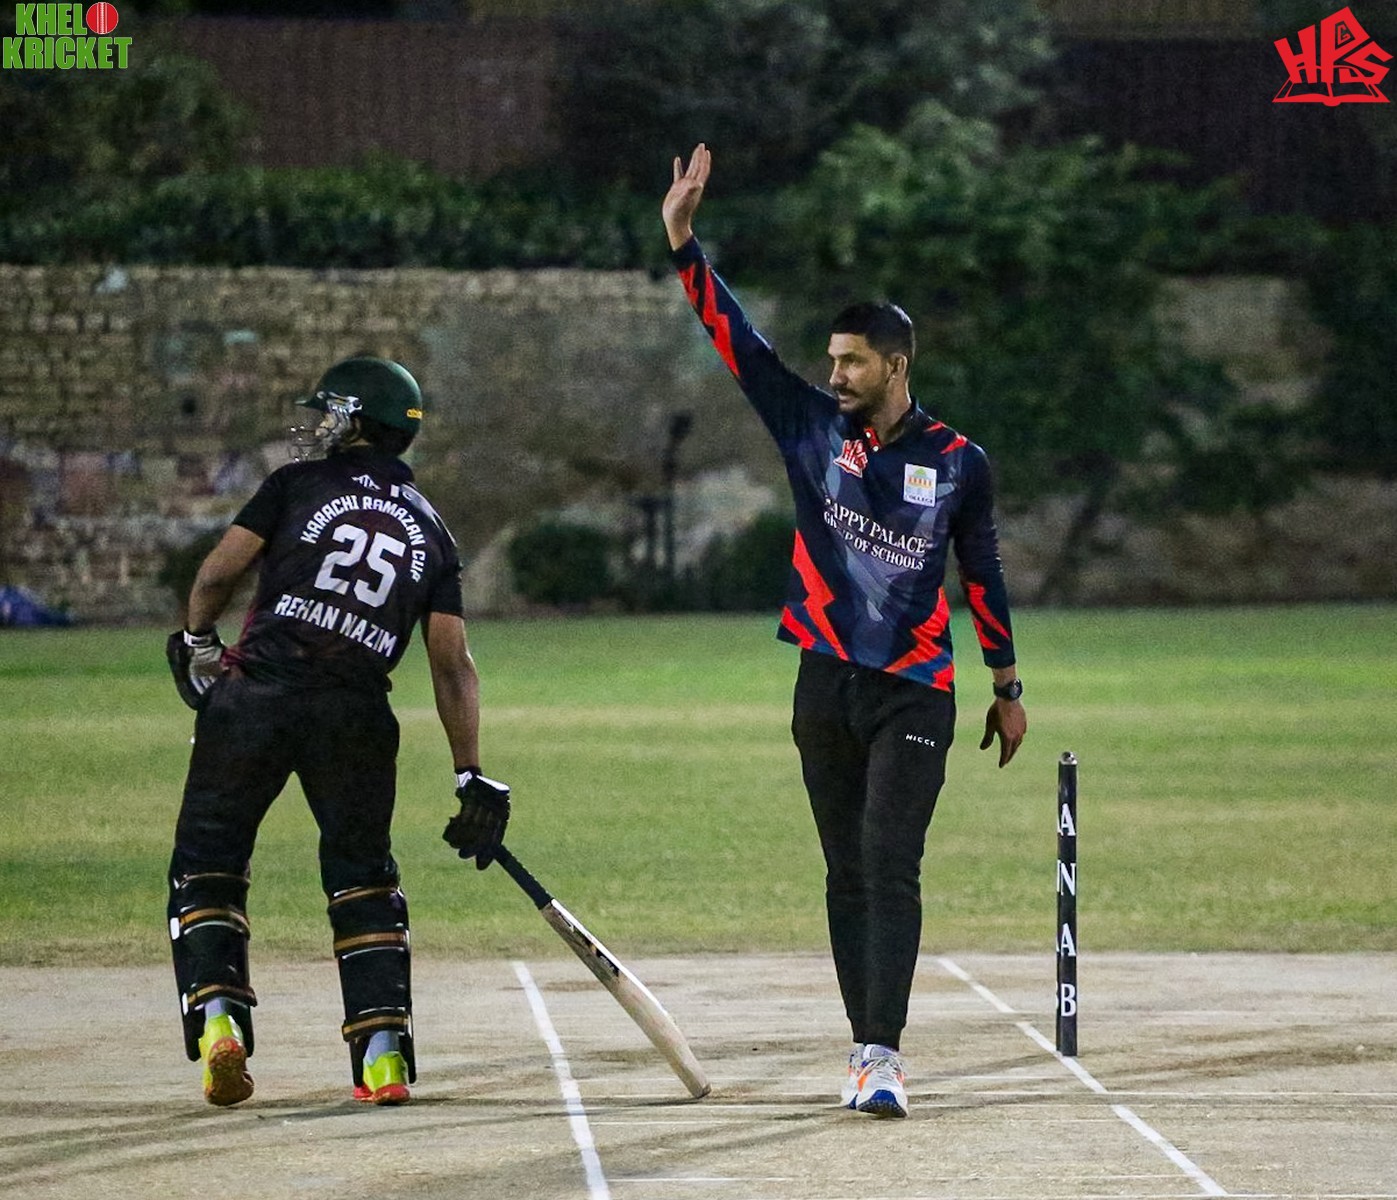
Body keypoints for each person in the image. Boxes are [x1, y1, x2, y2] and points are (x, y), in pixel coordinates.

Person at [661, 145, 1027, 1119]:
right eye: (830, 359)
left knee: (888, 862)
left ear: (894, 366)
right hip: (822, 683)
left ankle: (880, 1055)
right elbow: (737, 344)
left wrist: (1006, 686)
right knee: (845, 872)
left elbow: (983, 574)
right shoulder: (810, 426)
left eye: (852, 361)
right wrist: (684, 243)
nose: (835, 373)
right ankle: (862, 1040)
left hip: (915, 689)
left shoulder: (958, 461)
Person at [164, 356, 511, 1108]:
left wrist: (196, 640)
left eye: (330, 412)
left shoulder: (296, 484)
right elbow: (452, 664)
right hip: (354, 718)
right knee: (363, 880)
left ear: (355, 419)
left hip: (256, 698)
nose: (321, 424)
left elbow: (219, 574)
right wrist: (469, 772)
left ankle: (220, 1022)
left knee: (208, 866)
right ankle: (382, 1062)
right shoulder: (432, 530)